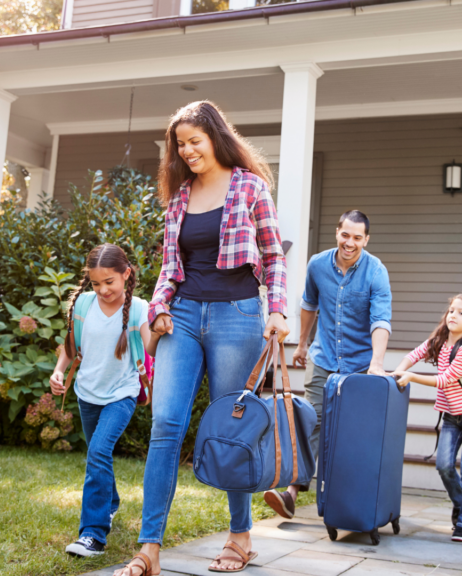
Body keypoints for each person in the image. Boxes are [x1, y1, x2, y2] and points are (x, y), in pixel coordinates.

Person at [114, 101, 289, 576]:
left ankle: (240, 536)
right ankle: (149, 548)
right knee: (166, 426)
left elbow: (273, 257)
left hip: (237, 316)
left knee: (233, 430)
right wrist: (159, 309)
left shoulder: (250, 187)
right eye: (179, 144)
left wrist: (276, 310)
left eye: (194, 140)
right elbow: (170, 269)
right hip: (185, 317)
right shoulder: (179, 199)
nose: (187, 151)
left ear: (215, 136)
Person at [262, 210, 392, 519]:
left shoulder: (376, 272)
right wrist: (303, 343)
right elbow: (309, 305)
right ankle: (292, 491)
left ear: (366, 239)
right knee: (312, 420)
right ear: (337, 232)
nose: (350, 243)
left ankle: (347, 500)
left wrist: (377, 362)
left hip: (360, 364)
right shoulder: (318, 264)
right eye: (345, 235)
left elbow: (380, 320)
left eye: (357, 237)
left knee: (352, 432)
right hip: (323, 359)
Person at [49, 244, 154, 558]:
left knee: (97, 452)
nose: (103, 289)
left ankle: (92, 535)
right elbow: (71, 343)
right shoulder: (82, 304)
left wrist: (160, 327)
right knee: (99, 456)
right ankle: (110, 503)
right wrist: (58, 371)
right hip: (87, 393)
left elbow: (152, 347)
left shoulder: (138, 308)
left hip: (122, 394)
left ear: (126, 274)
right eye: (96, 283)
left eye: (109, 282)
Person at [390, 294, 462, 543]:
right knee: (443, 466)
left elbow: (444, 379)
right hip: (451, 417)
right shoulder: (440, 340)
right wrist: (400, 368)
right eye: (451, 311)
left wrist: (410, 377)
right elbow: (415, 353)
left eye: (461, 313)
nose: (453, 315)